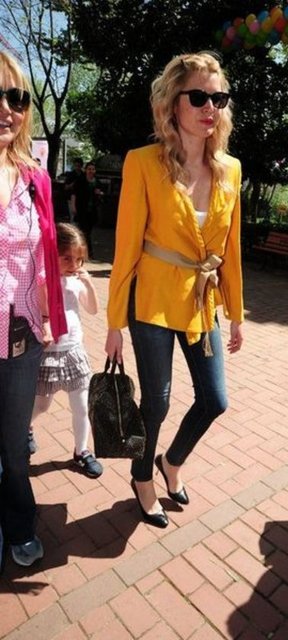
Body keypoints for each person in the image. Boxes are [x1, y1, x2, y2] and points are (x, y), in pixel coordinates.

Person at [105, 52, 244, 529]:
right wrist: (114, 323)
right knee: (157, 402)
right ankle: (142, 476)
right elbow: (126, 246)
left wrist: (236, 312)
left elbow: (230, 248)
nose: (210, 108)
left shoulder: (230, 169)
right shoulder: (143, 163)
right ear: (173, 102)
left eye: (218, 99)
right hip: (153, 299)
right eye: (199, 96)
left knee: (215, 400)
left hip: (202, 302)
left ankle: (171, 462)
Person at [0, 51, 67, 566]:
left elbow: (46, 254)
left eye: (16, 97)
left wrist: (50, 319)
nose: (7, 109)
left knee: (13, 445)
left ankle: (20, 522)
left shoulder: (35, 178)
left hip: (20, 336)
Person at [29, 223, 103, 479]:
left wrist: (89, 285)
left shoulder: (75, 282)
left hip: (73, 351)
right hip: (48, 353)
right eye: (67, 258)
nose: (74, 264)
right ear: (53, 255)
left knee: (82, 406)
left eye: (79, 259)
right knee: (41, 405)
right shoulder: (41, 280)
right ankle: (25, 428)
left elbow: (93, 309)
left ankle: (82, 451)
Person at [70, 161, 103, 259]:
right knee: (85, 232)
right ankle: (88, 253)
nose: (91, 171)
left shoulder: (97, 182)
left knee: (87, 232)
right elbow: (74, 194)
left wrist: (100, 193)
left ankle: (84, 251)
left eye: (93, 169)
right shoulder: (80, 181)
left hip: (92, 211)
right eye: (89, 169)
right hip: (82, 210)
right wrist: (73, 206)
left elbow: (102, 194)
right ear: (85, 170)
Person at [64, 157, 84, 222]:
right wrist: (72, 185)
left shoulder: (83, 175)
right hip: (70, 197)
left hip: (81, 198)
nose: (77, 167)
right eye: (76, 166)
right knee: (73, 215)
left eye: (79, 166)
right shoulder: (71, 175)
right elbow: (66, 187)